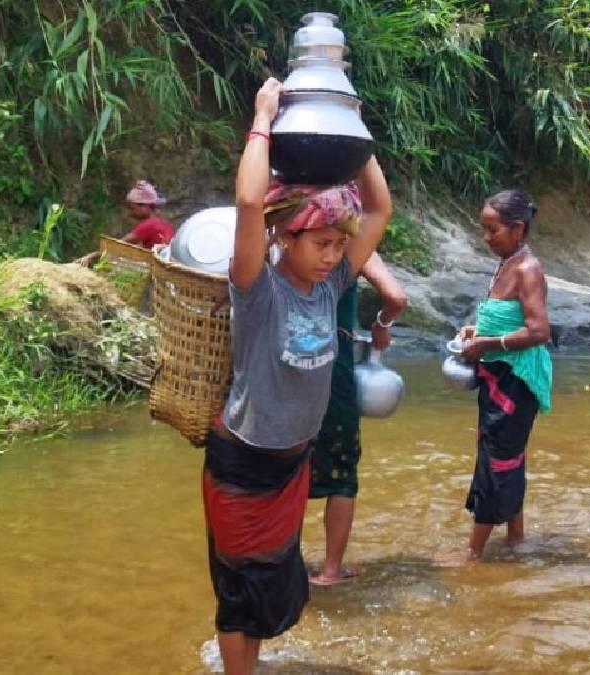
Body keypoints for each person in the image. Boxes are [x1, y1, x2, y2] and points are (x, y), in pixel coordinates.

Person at [202, 77, 392, 675]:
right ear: (288, 238)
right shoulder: (258, 289)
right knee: (240, 589)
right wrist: (263, 117)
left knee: (270, 582)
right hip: (243, 463)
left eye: (340, 243)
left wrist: (353, 134)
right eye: (321, 242)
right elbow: (251, 204)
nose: (334, 254)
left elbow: (381, 209)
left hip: (290, 464)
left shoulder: (331, 287)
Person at [444, 189, 552, 566]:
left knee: (497, 460)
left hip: (516, 382)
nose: (486, 237)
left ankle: (473, 553)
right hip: (498, 375)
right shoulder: (507, 262)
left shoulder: (527, 270)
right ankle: (516, 539)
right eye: (484, 229)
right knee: (508, 456)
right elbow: (505, 317)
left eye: (493, 230)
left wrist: (489, 342)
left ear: (518, 229)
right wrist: (476, 331)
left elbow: (540, 331)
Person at [307, 251, 406, 587]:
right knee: (342, 470)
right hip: (331, 366)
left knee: (290, 466)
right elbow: (395, 296)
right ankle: (331, 570)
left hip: (286, 362)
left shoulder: (288, 233)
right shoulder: (350, 242)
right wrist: (382, 324)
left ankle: (284, 563)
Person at [75, 180, 174, 266]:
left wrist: (91, 256)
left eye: (132, 209)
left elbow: (118, 245)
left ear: (145, 207)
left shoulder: (149, 225)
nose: (129, 213)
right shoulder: (165, 223)